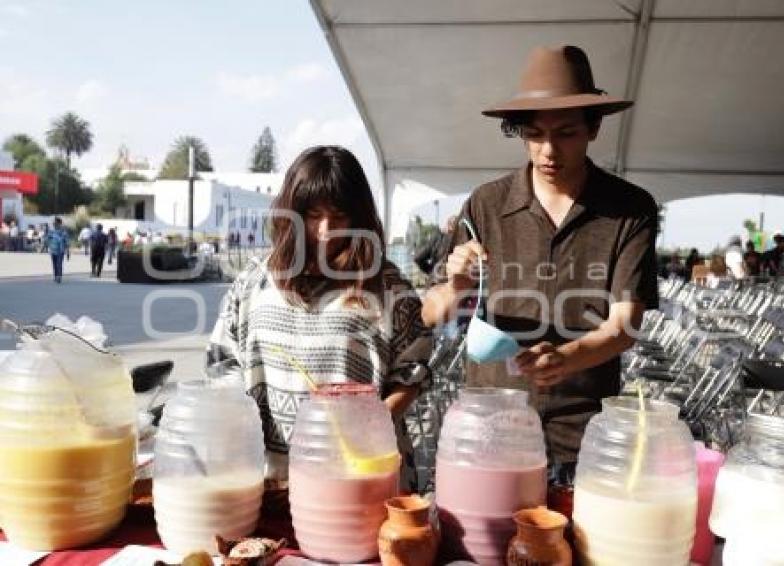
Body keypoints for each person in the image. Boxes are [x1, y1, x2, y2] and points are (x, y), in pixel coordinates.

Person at [422, 45, 658, 486]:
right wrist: (454, 286)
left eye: (566, 133)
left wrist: (567, 357)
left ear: (595, 126)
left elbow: (625, 325)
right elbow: (431, 314)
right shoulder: (486, 204)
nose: (548, 150)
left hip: (580, 432)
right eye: (534, 134)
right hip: (491, 430)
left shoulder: (629, 210)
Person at [206, 146, 432, 491]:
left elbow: (413, 373)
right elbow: (223, 365)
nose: (326, 229)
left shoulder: (386, 286)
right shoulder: (253, 282)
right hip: (269, 482)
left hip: (363, 478)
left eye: (339, 216)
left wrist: (368, 428)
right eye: (313, 214)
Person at [45, 217, 69, 283]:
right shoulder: (51, 231)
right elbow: (47, 239)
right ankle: (55, 276)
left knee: (59, 264)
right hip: (53, 250)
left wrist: (68, 252)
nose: (54, 224)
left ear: (59, 223)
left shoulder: (63, 232)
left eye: (55, 223)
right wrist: (47, 245)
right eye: (53, 223)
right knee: (54, 264)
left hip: (60, 251)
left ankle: (59, 277)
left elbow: (66, 242)